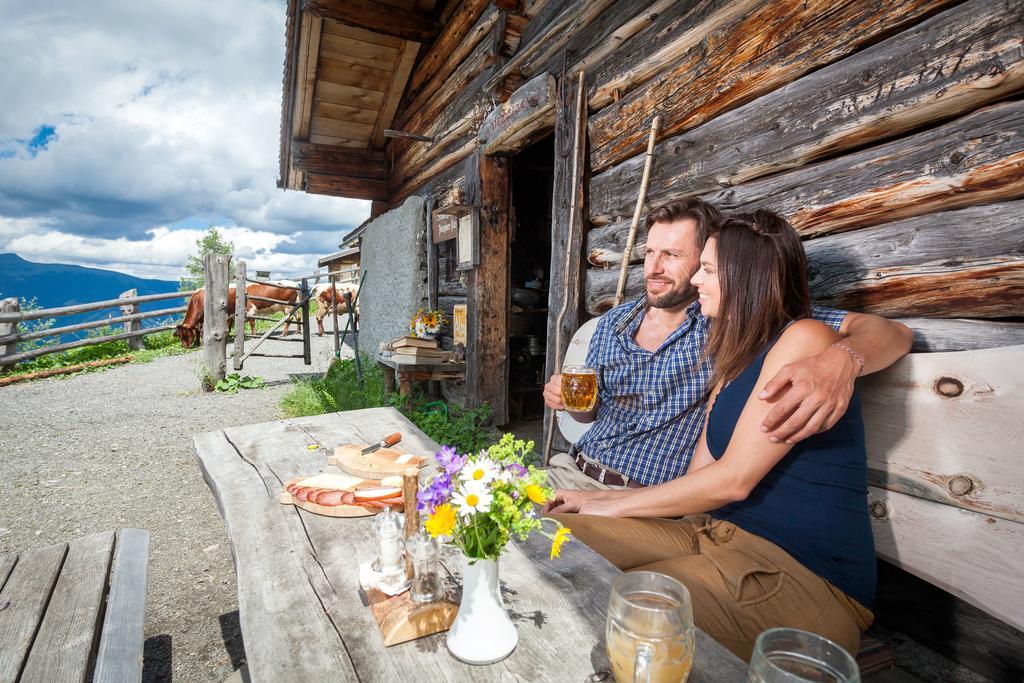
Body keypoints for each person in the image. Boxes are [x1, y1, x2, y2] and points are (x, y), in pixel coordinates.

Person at [546, 210, 877, 659]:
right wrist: (596, 502)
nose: (698, 281)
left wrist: (848, 358)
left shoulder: (806, 339)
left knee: (618, 610)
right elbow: (704, 474)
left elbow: (733, 479)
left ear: (746, 277)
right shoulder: (733, 355)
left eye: (708, 269)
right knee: (546, 535)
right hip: (710, 531)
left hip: (797, 570)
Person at [542, 198, 911, 489]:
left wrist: (842, 360)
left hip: (640, 494)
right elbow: (586, 417)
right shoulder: (612, 324)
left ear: (711, 260)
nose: (654, 268)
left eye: (671, 255)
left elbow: (892, 333)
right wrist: (570, 402)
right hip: (572, 466)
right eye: (650, 253)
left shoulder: (732, 319)